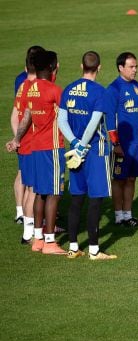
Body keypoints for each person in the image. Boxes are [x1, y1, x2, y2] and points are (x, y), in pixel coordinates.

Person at [57, 51, 119, 260]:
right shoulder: (100, 92)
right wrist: (83, 145)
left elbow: (61, 121)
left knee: (76, 198)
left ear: (81, 66)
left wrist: (74, 143)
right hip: (96, 151)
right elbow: (94, 123)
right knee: (95, 199)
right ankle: (94, 250)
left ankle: (73, 247)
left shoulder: (69, 89)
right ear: (99, 67)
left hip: (75, 151)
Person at [6, 50, 67, 255]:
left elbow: (24, 117)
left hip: (35, 146)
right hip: (51, 146)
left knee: (38, 191)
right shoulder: (54, 90)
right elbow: (67, 117)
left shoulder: (28, 89)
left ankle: (36, 238)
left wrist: (16, 139)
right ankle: (49, 242)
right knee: (54, 192)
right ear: (51, 68)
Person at [108, 52, 138, 227]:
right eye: (131, 67)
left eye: (136, 66)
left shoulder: (136, 86)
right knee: (119, 179)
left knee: (132, 178)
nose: (135, 70)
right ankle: (118, 216)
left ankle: (128, 214)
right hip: (122, 144)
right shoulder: (113, 89)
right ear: (121, 68)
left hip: (136, 143)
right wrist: (116, 143)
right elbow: (110, 118)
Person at [10, 46, 44, 244]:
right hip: (34, 144)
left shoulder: (22, 85)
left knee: (26, 180)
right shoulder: (35, 87)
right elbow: (28, 116)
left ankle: (27, 227)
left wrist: (16, 139)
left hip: (25, 143)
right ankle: (30, 233)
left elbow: (14, 116)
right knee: (33, 188)